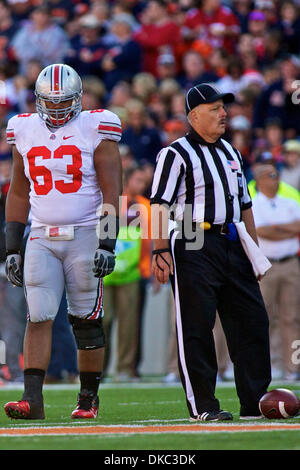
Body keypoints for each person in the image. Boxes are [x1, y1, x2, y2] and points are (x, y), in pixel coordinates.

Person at [3, 63, 122, 420]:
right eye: (49, 102)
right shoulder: (23, 129)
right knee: (37, 314)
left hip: (85, 232)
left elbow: (112, 189)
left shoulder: (95, 126)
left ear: (78, 99)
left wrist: (107, 242)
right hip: (40, 234)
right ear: (37, 99)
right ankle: (31, 400)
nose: (56, 108)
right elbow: (19, 191)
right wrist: (11, 247)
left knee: (85, 318)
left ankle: (87, 398)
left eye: (63, 101)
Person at [150, 83, 272, 422]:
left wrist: (254, 252)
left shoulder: (231, 152)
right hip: (192, 239)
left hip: (233, 240)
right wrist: (159, 249)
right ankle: (203, 405)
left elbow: (245, 205)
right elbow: (159, 203)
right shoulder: (175, 153)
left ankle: (256, 399)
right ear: (194, 115)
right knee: (196, 324)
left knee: (252, 321)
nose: (224, 113)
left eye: (224, 107)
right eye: (215, 108)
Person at [251, 157, 300, 380]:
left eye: (277, 175)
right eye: (271, 175)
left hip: (290, 263)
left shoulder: (289, 202)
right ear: (260, 180)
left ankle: (293, 366)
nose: (276, 179)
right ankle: (270, 364)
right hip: (267, 265)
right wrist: (286, 229)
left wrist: (276, 227)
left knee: (292, 317)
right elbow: (262, 231)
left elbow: (297, 226)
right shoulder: (253, 203)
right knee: (265, 318)